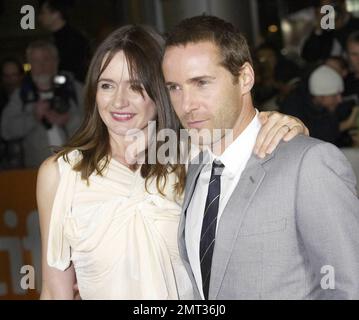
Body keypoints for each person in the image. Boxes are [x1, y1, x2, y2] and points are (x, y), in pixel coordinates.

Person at [37, 25, 308, 300]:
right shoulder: (61, 174)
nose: (119, 101)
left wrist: (288, 124)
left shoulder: (196, 156)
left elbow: (248, 134)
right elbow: (53, 290)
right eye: (107, 85)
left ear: (161, 92)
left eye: (136, 87)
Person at [162, 15, 359, 300]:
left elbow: (348, 286)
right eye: (174, 88)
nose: (187, 105)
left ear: (245, 78)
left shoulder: (309, 163)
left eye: (201, 83)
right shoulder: (196, 168)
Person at [1, 40, 83, 168]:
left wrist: (69, 120)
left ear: (56, 62)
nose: (42, 66)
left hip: (77, 167)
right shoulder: (22, 94)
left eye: (46, 59)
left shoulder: (73, 88)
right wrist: (33, 117)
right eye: (36, 61)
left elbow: (98, 122)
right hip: (37, 172)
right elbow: (6, 130)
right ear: (30, 65)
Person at [38, 0, 91, 82]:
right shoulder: (64, 37)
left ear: (56, 14)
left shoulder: (73, 39)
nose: (40, 17)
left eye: (43, 12)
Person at [0, 57, 24, 169]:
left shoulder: (29, 98)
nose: (10, 80)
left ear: (21, 76)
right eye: (6, 76)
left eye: (14, 75)